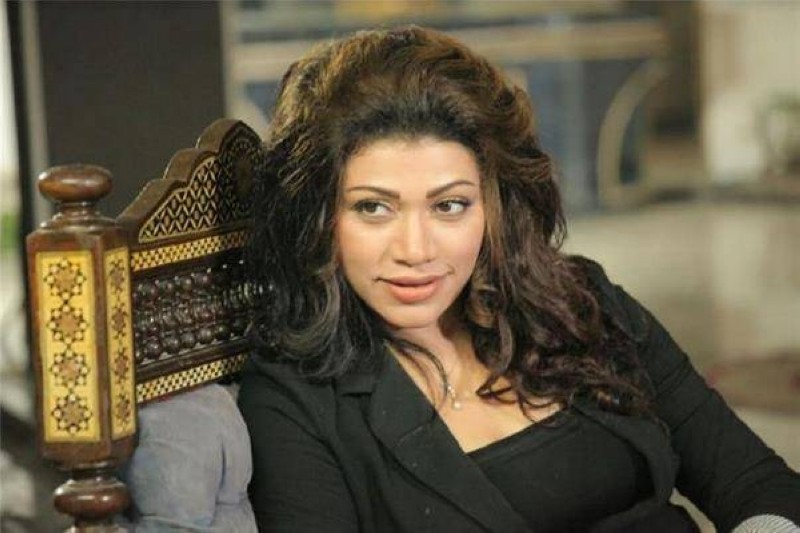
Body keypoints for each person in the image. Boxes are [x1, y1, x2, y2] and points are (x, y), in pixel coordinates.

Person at [239, 26, 800, 532]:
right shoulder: (295, 399)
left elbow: (756, 482)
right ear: (318, 218)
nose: (415, 250)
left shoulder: (583, 303)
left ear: (495, 207)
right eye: (373, 208)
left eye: (450, 206)